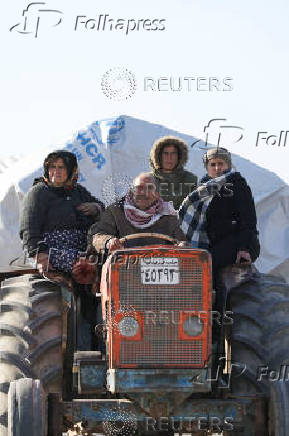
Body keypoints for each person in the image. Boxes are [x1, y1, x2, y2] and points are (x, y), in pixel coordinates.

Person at [19, 150, 104, 279]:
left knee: (112, 261)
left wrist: (95, 207)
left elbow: (100, 206)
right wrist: (40, 256)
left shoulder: (78, 191)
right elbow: (29, 228)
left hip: (84, 248)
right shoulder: (38, 192)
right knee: (86, 266)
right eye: (53, 167)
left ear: (71, 170)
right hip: (52, 250)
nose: (56, 171)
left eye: (61, 167)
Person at [178, 147, 260, 276]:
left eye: (220, 164)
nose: (217, 168)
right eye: (213, 164)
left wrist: (243, 249)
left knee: (204, 264)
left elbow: (248, 221)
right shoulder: (202, 189)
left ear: (228, 164)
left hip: (237, 242)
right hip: (211, 243)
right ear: (207, 167)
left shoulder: (238, 185)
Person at [90, 172, 186, 253]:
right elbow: (97, 235)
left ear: (157, 194)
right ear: (131, 192)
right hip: (123, 266)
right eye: (139, 188)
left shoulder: (168, 214)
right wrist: (108, 241)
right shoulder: (115, 211)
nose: (143, 193)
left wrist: (182, 245)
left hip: (161, 266)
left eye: (149, 188)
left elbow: (181, 240)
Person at [149, 135, 198, 209]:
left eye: (174, 153)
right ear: (158, 156)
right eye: (166, 153)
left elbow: (196, 209)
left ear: (179, 156)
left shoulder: (190, 180)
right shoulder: (147, 180)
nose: (170, 157)